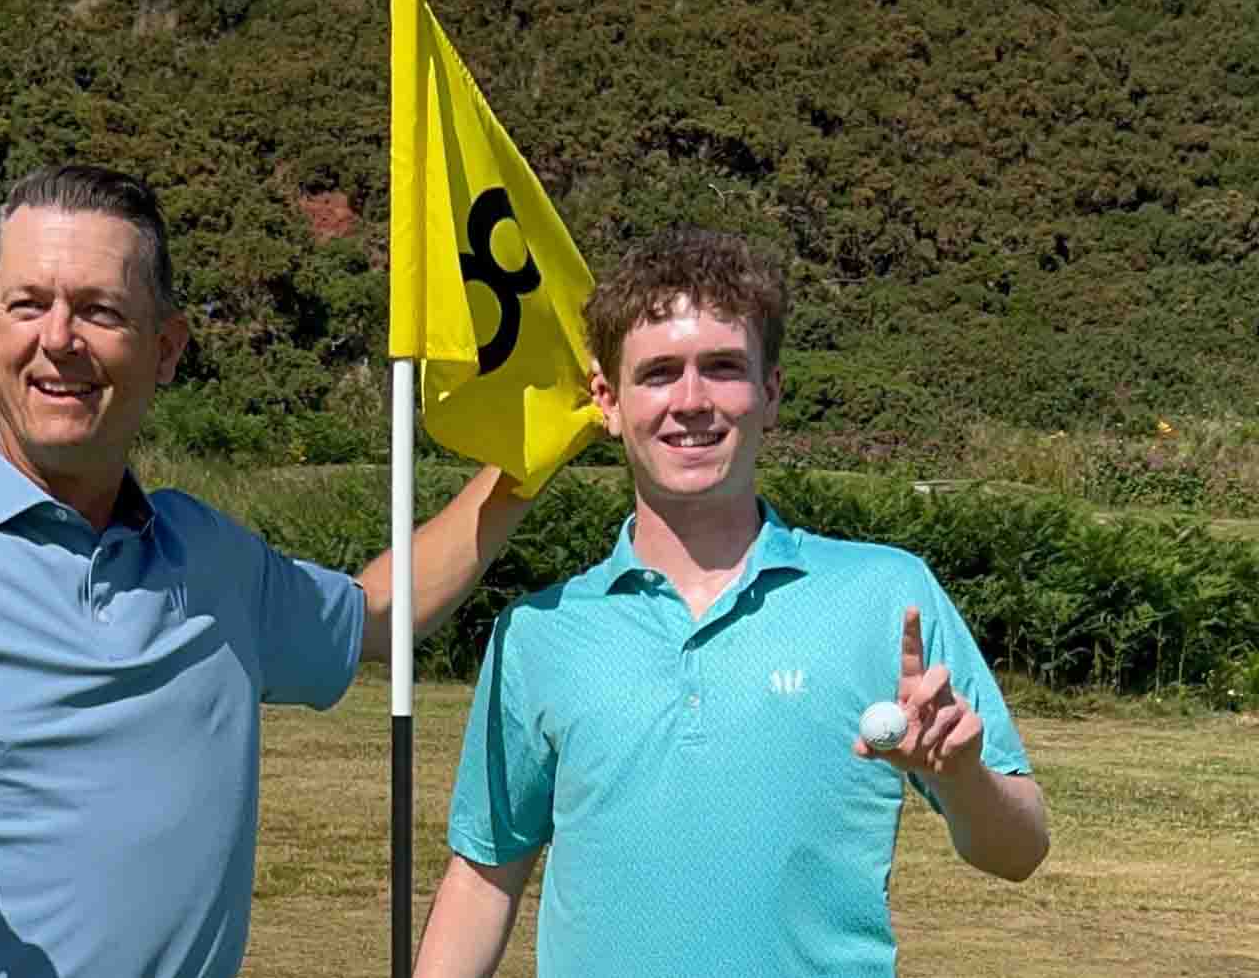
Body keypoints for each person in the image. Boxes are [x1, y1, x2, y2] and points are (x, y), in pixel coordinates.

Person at [0, 165, 537, 978]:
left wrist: (525, 462)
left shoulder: (214, 559)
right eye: (28, 304)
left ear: (167, 348)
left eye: (101, 310)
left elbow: (378, 612)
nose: (60, 339)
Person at [413, 227, 1050, 978]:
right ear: (607, 400)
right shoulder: (539, 633)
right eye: (658, 374)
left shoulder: (888, 595)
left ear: (770, 393)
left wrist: (960, 774)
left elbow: (1019, 852)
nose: (691, 402)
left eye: (722, 368)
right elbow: (485, 879)